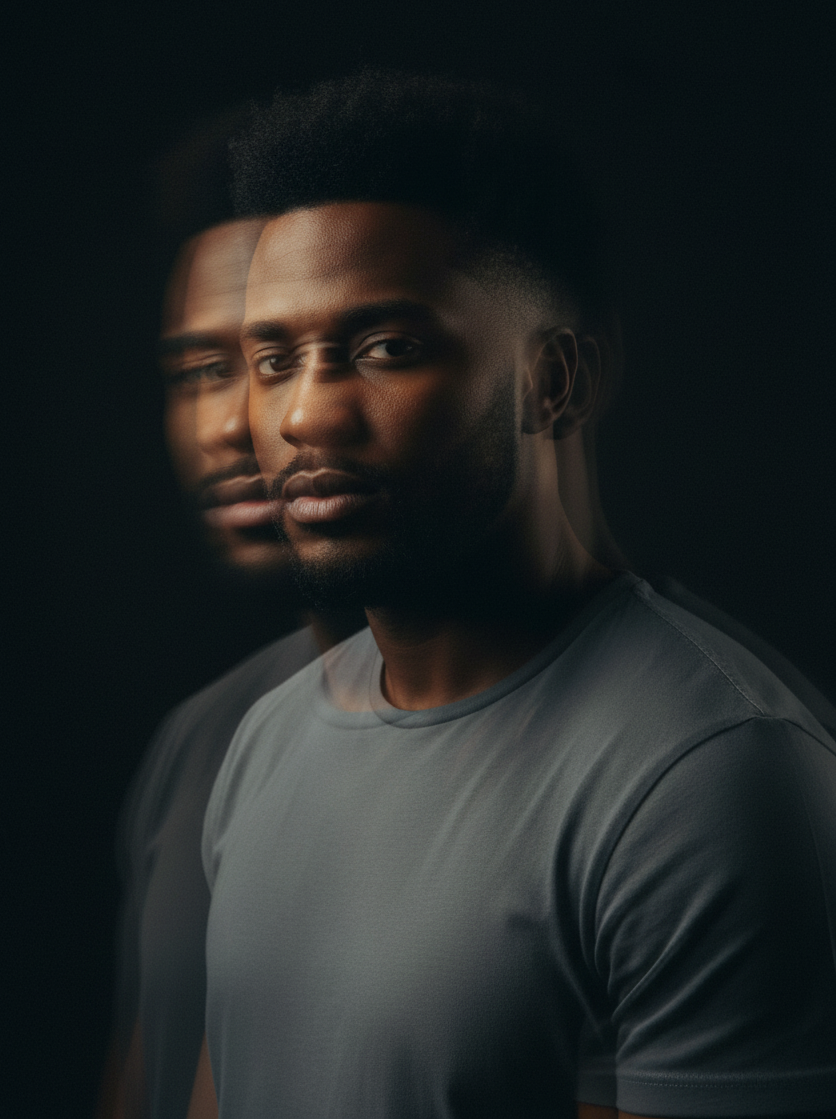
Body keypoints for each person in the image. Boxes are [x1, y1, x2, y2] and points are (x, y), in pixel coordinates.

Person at [192, 72, 836, 1119]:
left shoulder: (710, 783)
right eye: (274, 358)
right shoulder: (265, 740)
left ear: (552, 380)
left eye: (385, 347)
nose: (305, 412)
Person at [96, 120, 363, 1119]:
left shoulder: (658, 769)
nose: (227, 423)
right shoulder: (201, 739)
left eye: (272, 355)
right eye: (198, 370)